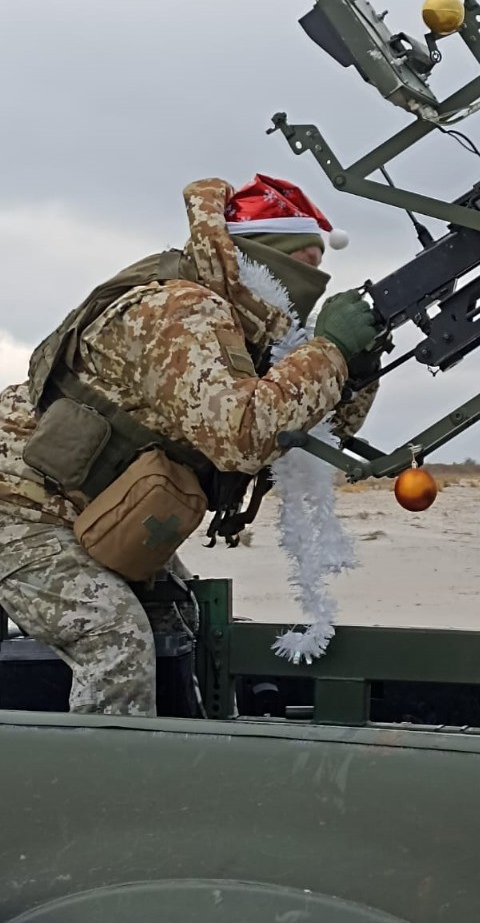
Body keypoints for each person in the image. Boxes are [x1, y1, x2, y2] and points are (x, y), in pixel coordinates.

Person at [0, 174, 382, 717]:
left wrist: (355, 370)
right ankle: (100, 791)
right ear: (259, 261)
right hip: (19, 506)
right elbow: (242, 437)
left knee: (179, 624)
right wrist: (330, 353)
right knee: (114, 641)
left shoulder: (253, 336)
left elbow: (298, 441)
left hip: (91, 511)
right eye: (302, 263)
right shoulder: (179, 310)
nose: (312, 282)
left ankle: (182, 756)